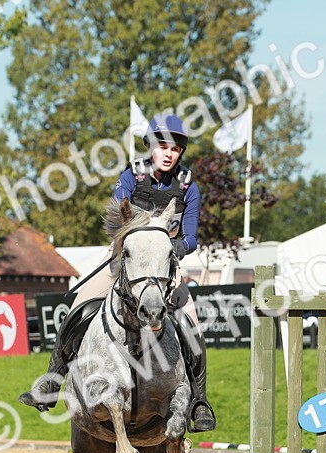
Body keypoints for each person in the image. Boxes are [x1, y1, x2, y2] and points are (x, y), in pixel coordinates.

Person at [18, 113, 215, 433]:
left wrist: (170, 249)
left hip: (164, 267)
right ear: (150, 147)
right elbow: (116, 220)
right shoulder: (132, 177)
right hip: (125, 260)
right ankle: (53, 383)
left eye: (175, 149)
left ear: (181, 153)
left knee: (191, 323)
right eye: (162, 146)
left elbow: (191, 238)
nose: (168, 153)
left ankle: (200, 402)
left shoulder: (188, 186)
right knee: (79, 306)